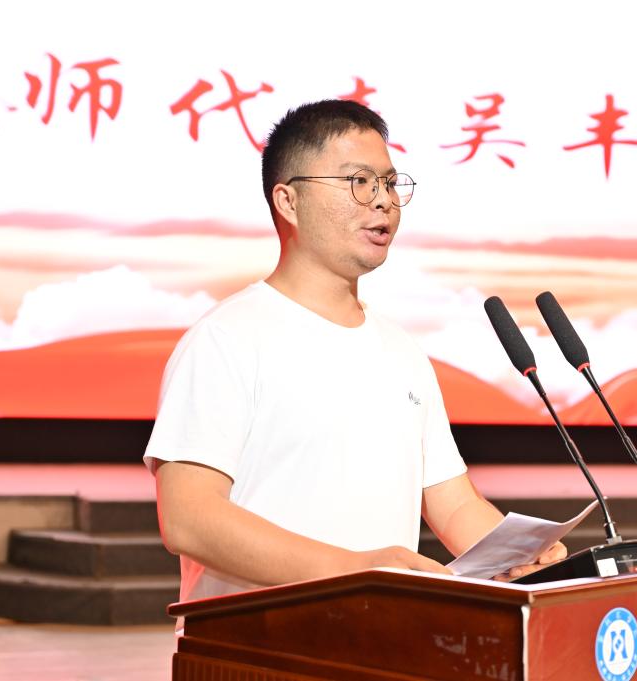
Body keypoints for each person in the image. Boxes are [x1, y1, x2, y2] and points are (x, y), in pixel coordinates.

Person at [144, 100, 565, 606]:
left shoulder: (402, 351)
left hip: (378, 633)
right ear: (288, 201)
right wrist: (351, 570)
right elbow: (189, 519)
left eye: (389, 183)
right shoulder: (226, 338)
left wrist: (519, 555)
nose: (383, 201)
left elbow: (453, 505)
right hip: (258, 637)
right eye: (359, 182)